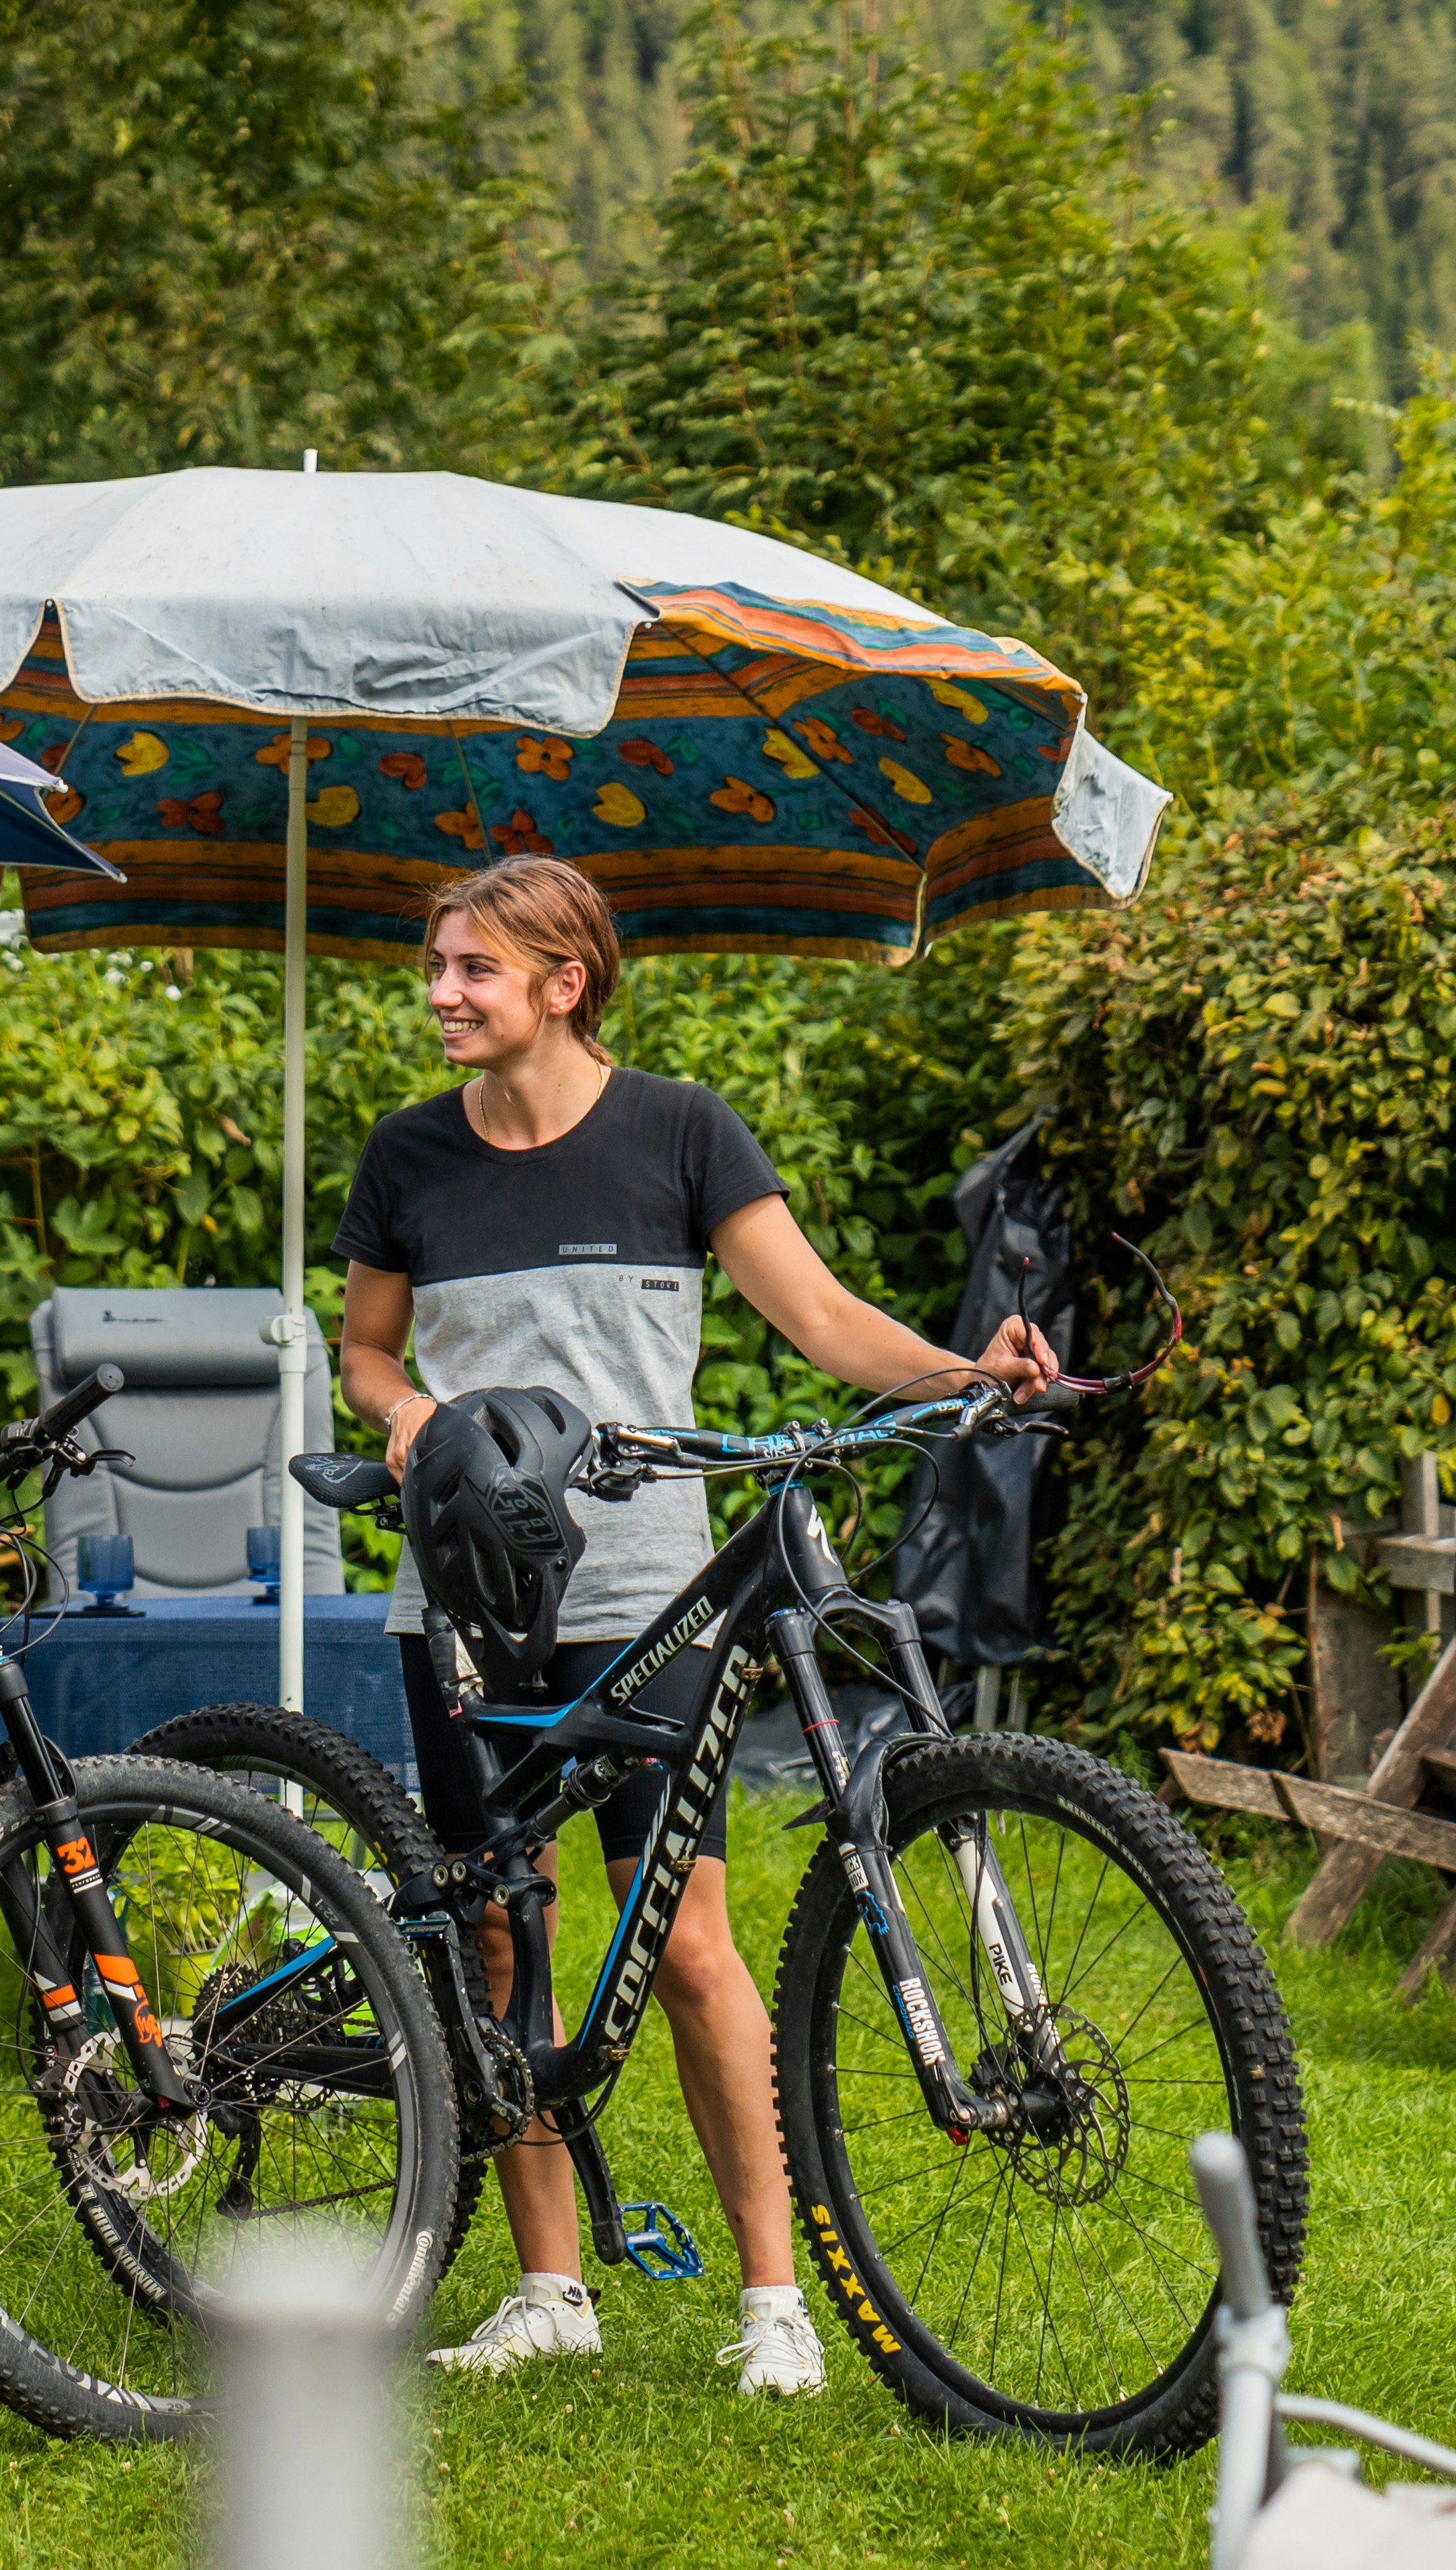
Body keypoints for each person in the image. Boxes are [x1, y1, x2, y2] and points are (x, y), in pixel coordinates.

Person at [331, 854, 1056, 2389]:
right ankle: (547, 2288)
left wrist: (964, 1375)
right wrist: (401, 1422)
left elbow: (817, 1317)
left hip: (638, 1583)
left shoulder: (678, 1132)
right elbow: (366, 1354)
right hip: (458, 1586)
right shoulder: (404, 1157)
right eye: (437, 966)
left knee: (691, 1943)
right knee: (494, 1931)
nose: (441, 993)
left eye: (471, 969)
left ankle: (772, 2299)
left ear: (559, 983)